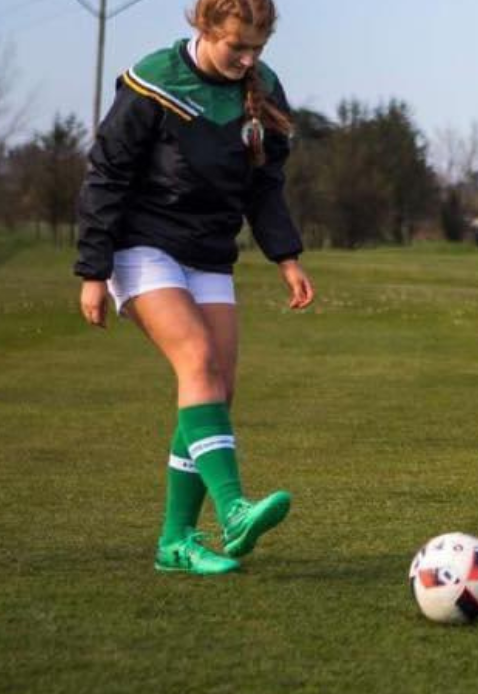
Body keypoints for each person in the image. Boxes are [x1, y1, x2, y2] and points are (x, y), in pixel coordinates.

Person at [74, 0, 314, 576]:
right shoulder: (154, 80)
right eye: (237, 45)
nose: (247, 58)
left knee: (215, 389)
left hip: (207, 252)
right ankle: (232, 511)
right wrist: (91, 270)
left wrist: (286, 257)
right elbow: (106, 173)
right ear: (206, 28)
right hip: (141, 244)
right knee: (197, 359)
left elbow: (264, 185)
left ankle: (175, 541)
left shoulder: (265, 88)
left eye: (257, 47)